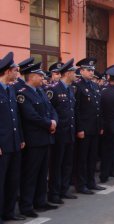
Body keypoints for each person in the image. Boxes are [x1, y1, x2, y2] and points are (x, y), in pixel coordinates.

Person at [17, 62, 59, 218]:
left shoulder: (40, 91)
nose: (43, 78)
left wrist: (54, 121)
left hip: (46, 138)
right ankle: (26, 205)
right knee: (31, 173)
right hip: (34, 140)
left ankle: (40, 201)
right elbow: (30, 115)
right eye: (40, 75)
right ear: (32, 76)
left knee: (43, 173)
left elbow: (51, 109)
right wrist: (49, 124)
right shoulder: (23, 93)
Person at [46, 59, 78, 204]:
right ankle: (54, 193)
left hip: (70, 131)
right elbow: (49, 111)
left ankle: (64, 190)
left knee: (67, 163)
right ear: (68, 73)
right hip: (59, 134)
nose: (76, 75)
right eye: (74, 73)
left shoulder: (70, 89)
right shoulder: (53, 89)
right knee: (56, 165)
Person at [0, 52, 26, 222]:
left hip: (15, 142)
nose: (18, 73)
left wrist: (21, 138)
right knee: (1, 182)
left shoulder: (10, 89)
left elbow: (16, 116)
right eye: (16, 70)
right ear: (8, 71)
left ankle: (9, 212)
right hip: (2, 144)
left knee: (12, 179)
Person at [73, 57, 105, 194]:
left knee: (92, 157)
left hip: (94, 127)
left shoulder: (94, 86)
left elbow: (99, 108)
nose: (92, 73)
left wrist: (100, 126)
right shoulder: (77, 86)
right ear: (81, 71)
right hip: (84, 129)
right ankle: (81, 184)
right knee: (82, 158)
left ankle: (91, 182)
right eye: (88, 70)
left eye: (93, 70)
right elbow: (76, 110)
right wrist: (79, 128)